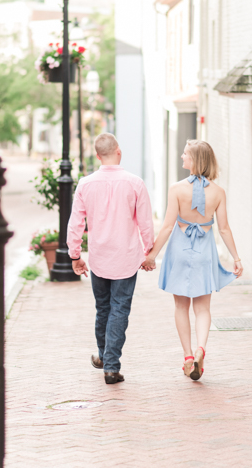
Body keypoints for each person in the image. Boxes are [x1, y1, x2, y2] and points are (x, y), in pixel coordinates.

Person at [143, 140, 243, 381]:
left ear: (195, 160)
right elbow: (225, 229)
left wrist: (152, 255)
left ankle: (188, 357)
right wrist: (236, 258)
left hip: (179, 249)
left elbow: (167, 226)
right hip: (204, 252)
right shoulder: (218, 192)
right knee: (203, 308)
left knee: (181, 307)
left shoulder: (176, 189)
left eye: (185, 154)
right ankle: (201, 349)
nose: (181, 157)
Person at [68, 133, 154, 385]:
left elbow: (76, 224)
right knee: (119, 309)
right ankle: (111, 366)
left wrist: (75, 255)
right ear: (119, 151)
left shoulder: (85, 184)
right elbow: (145, 223)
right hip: (126, 257)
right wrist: (148, 252)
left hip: (99, 257)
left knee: (103, 308)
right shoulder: (135, 183)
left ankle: (105, 357)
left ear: (97, 156)